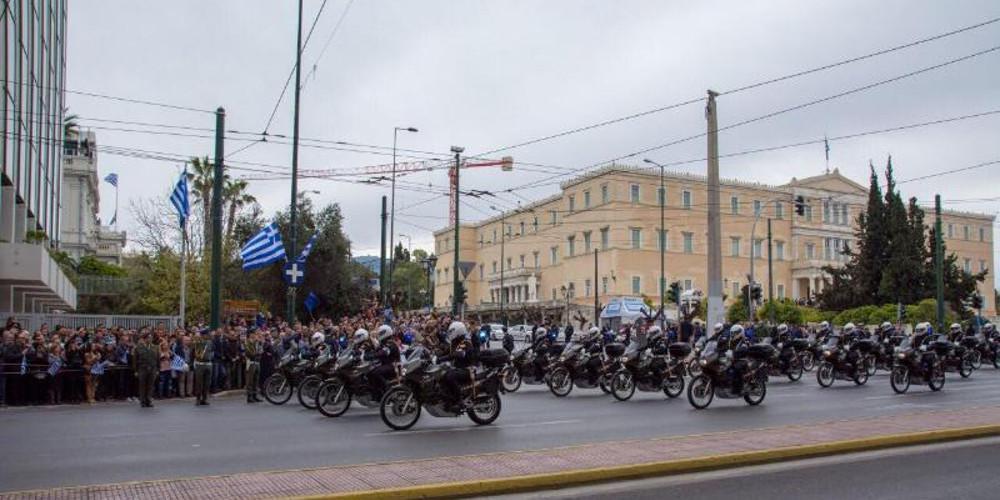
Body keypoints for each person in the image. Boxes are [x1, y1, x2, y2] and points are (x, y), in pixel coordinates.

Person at [439, 322, 476, 411]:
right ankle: (448, 399)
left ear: (458, 331)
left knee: (449, 376)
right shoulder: (455, 342)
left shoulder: (465, 343)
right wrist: (433, 355)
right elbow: (445, 352)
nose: (450, 333)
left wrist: (440, 359)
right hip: (458, 368)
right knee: (441, 375)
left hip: (467, 369)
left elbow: (456, 354)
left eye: (452, 331)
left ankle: (459, 400)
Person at [367, 325, 399, 399]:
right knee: (370, 372)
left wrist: (372, 356)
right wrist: (369, 353)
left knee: (376, 372)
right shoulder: (383, 342)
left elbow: (383, 352)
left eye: (380, 333)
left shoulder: (390, 343)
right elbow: (377, 350)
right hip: (385, 364)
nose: (379, 335)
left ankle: (387, 389)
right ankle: (377, 393)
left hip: (393, 365)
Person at [133, 333, 158, 408]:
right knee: (142, 386)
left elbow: (157, 359)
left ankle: (149, 400)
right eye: (148, 338)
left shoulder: (155, 347)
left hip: (152, 368)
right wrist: (135, 371)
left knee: (150, 386)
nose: (150, 339)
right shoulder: (138, 348)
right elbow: (135, 360)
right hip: (142, 368)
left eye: (151, 338)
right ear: (144, 339)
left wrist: (157, 369)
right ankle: (142, 401)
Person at [192, 329, 214, 406]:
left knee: (207, 383)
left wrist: (211, 358)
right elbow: (195, 353)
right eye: (207, 334)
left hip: (208, 364)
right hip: (200, 364)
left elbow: (212, 351)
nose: (208, 335)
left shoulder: (210, 343)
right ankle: (198, 398)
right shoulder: (198, 343)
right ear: (203, 335)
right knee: (199, 383)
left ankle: (204, 398)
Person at [244, 330, 262, 403]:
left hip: (257, 362)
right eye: (253, 333)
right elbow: (249, 352)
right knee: (250, 380)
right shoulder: (247, 342)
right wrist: (256, 353)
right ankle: (249, 396)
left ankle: (255, 395)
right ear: (250, 334)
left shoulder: (257, 342)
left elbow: (260, 350)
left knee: (256, 380)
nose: (255, 335)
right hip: (251, 362)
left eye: (255, 333)